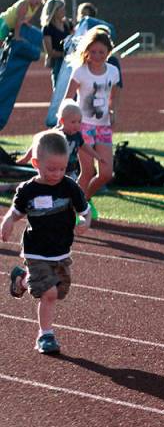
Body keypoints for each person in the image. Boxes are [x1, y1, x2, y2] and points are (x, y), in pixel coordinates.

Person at [1, 130, 90, 355]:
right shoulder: (28, 190)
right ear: (35, 163)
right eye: (51, 169)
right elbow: (16, 211)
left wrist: (84, 222)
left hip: (60, 251)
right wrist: (8, 220)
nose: (57, 174)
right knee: (49, 293)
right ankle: (46, 335)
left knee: (59, 291)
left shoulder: (69, 186)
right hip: (36, 251)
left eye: (62, 168)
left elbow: (85, 211)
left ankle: (21, 281)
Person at [64, 26, 120, 217]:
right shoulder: (80, 72)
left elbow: (114, 94)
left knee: (106, 173)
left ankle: (82, 201)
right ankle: (77, 209)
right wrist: (65, 121)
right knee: (87, 171)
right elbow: (68, 98)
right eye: (93, 51)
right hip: (84, 127)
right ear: (86, 51)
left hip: (103, 127)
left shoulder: (112, 71)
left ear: (108, 52)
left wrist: (113, 111)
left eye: (101, 52)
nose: (97, 55)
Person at [17, 101, 97, 183]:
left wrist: (97, 156)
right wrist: (26, 158)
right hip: (55, 170)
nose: (77, 125)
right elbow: (38, 144)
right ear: (62, 121)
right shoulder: (56, 134)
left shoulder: (77, 135)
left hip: (70, 170)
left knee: (69, 190)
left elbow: (84, 146)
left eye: (79, 122)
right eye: (73, 122)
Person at [40, 0, 72, 88]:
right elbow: (50, 52)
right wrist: (64, 55)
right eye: (62, 9)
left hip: (70, 63)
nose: (64, 11)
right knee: (59, 90)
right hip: (58, 63)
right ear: (55, 11)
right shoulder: (47, 28)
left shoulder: (67, 24)